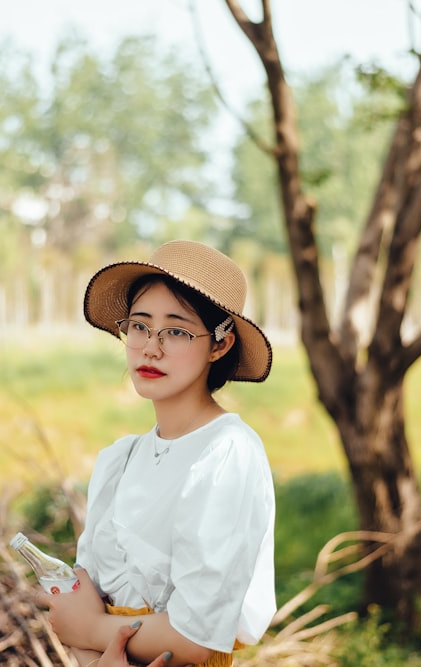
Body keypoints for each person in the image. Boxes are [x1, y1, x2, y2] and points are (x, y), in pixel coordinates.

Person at [35, 240, 276, 667]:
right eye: (140, 326)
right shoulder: (121, 459)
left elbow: (194, 636)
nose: (150, 347)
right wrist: (94, 657)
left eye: (177, 331)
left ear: (220, 345)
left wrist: (90, 631)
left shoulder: (227, 455)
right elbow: (83, 593)